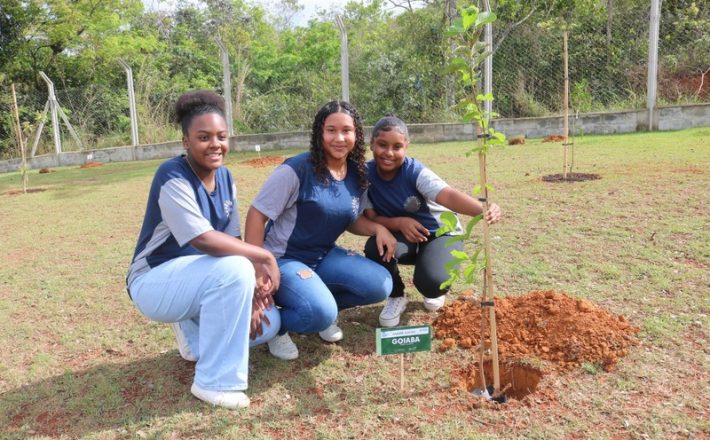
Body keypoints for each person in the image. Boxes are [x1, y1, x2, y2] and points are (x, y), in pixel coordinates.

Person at [126, 90, 280, 409]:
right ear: (186, 142)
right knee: (237, 269)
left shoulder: (225, 176)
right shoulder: (172, 175)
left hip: (200, 278)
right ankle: (213, 382)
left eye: (221, 136)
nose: (215, 144)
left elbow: (233, 240)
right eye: (203, 137)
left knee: (268, 327)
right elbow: (204, 240)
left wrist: (252, 296)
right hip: (153, 280)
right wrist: (262, 256)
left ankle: (191, 334)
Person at [245, 100, 395, 360]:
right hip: (284, 259)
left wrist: (377, 228)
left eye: (347, 130)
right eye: (331, 130)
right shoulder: (297, 169)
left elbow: (348, 218)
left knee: (379, 285)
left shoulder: (357, 174)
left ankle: (320, 305)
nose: (339, 138)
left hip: (323, 255)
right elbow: (256, 216)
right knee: (319, 312)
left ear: (357, 134)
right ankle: (279, 328)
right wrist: (258, 267)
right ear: (319, 133)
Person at [362, 115, 502, 327]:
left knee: (432, 284)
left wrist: (482, 209)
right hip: (405, 235)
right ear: (372, 143)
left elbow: (448, 196)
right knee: (375, 247)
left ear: (406, 147)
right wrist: (399, 222)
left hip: (441, 233)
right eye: (382, 145)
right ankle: (396, 296)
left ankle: (433, 269)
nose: (389, 153)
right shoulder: (364, 174)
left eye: (397, 147)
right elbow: (371, 217)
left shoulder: (414, 171)